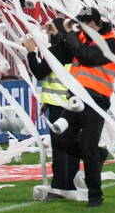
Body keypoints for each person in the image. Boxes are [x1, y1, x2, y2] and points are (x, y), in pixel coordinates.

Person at [53, 8, 115, 208]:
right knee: (59, 138)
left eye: (81, 23)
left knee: (88, 146)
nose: (77, 27)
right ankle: (97, 155)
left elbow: (86, 57)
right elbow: (62, 56)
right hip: (76, 99)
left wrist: (70, 34)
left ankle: (95, 196)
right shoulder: (82, 37)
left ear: (92, 24)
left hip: (96, 101)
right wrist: (58, 35)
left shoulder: (109, 42)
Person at [26, 20, 78, 198]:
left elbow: (40, 72)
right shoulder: (73, 50)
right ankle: (71, 184)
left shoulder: (56, 51)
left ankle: (59, 187)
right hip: (73, 105)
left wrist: (31, 52)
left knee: (60, 147)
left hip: (60, 108)